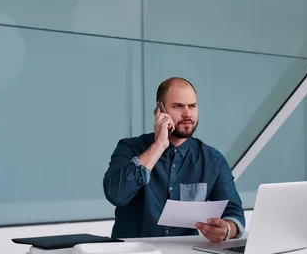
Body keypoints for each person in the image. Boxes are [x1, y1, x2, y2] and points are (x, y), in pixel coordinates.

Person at [102, 77, 245, 243]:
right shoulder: (129, 148)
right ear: (160, 110)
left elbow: (234, 213)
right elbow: (116, 195)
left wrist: (227, 229)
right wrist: (159, 145)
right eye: (178, 106)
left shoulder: (212, 159)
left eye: (192, 106)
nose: (187, 114)